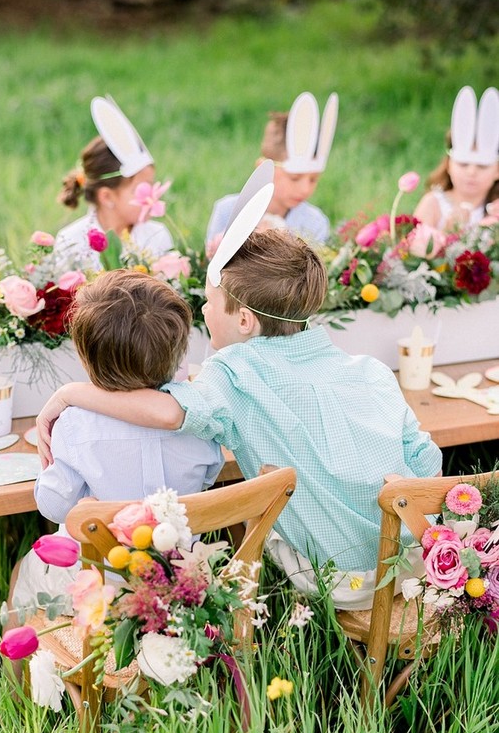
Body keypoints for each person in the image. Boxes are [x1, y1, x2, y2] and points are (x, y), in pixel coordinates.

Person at [36, 223, 442, 611]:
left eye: (210, 301)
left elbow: (165, 413)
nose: (202, 308)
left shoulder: (233, 372)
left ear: (244, 320)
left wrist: (70, 393)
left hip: (338, 579)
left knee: (261, 509)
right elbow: (428, 463)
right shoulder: (370, 371)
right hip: (415, 563)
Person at [9, 270, 223, 612]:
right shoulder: (197, 420)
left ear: (85, 358)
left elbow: (54, 507)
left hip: (99, 582)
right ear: (178, 352)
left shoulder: (75, 425)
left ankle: (10, 668)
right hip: (178, 578)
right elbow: (211, 477)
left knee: (25, 570)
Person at [53, 96, 173, 270]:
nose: (152, 198)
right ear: (107, 196)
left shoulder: (156, 235)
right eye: (141, 191)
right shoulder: (72, 241)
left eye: (151, 186)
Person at [206, 92, 338, 248]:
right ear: (263, 169)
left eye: (313, 179)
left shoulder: (314, 223)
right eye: (294, 178)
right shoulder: (228, 210)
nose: (305, 189)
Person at [414, 86, 499, 231]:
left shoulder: (495, 209)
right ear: (448, 165)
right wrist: (448, 233)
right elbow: (414, 249)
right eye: (463, 164)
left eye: (482, 166)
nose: (472, 172)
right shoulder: (433, 204)